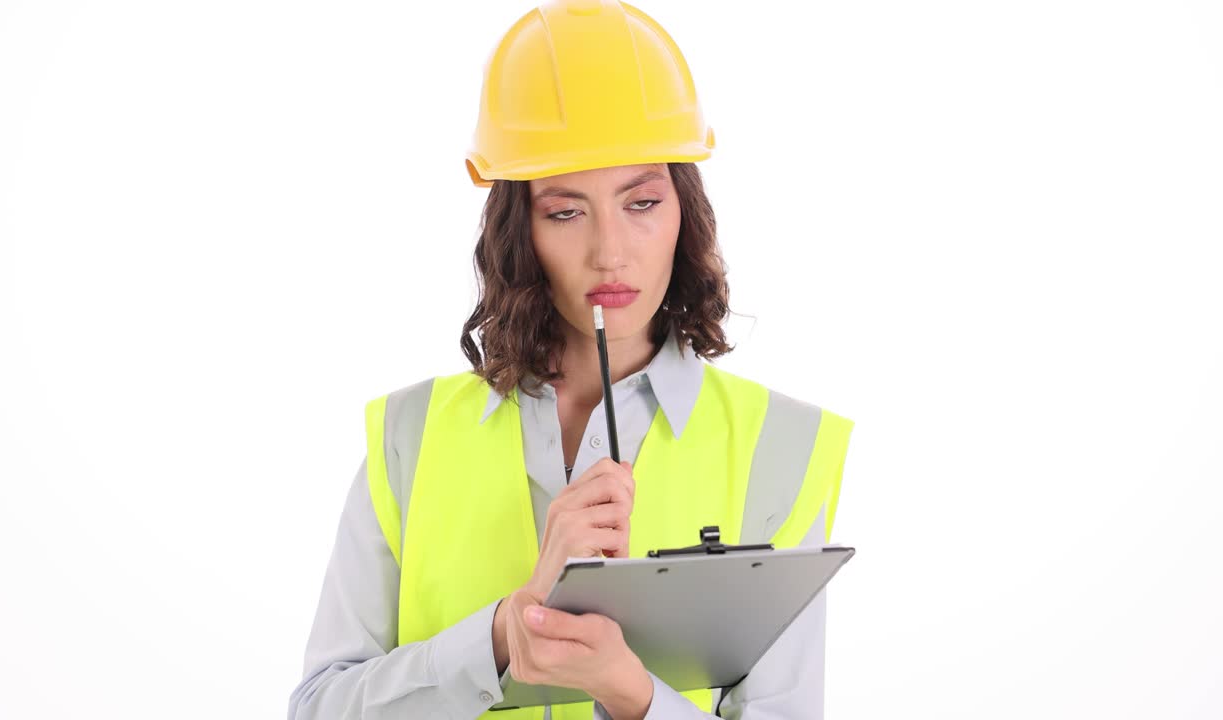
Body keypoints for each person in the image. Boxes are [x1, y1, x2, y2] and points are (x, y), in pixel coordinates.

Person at [287, 1, 853, 718]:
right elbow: (318, 708)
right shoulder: (410, 436)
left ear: (685, 209)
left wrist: (634, 694)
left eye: (642, 202)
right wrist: (502, 632)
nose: (609, 252)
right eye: (564, 212)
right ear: (516, 231)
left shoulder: (784, 449)